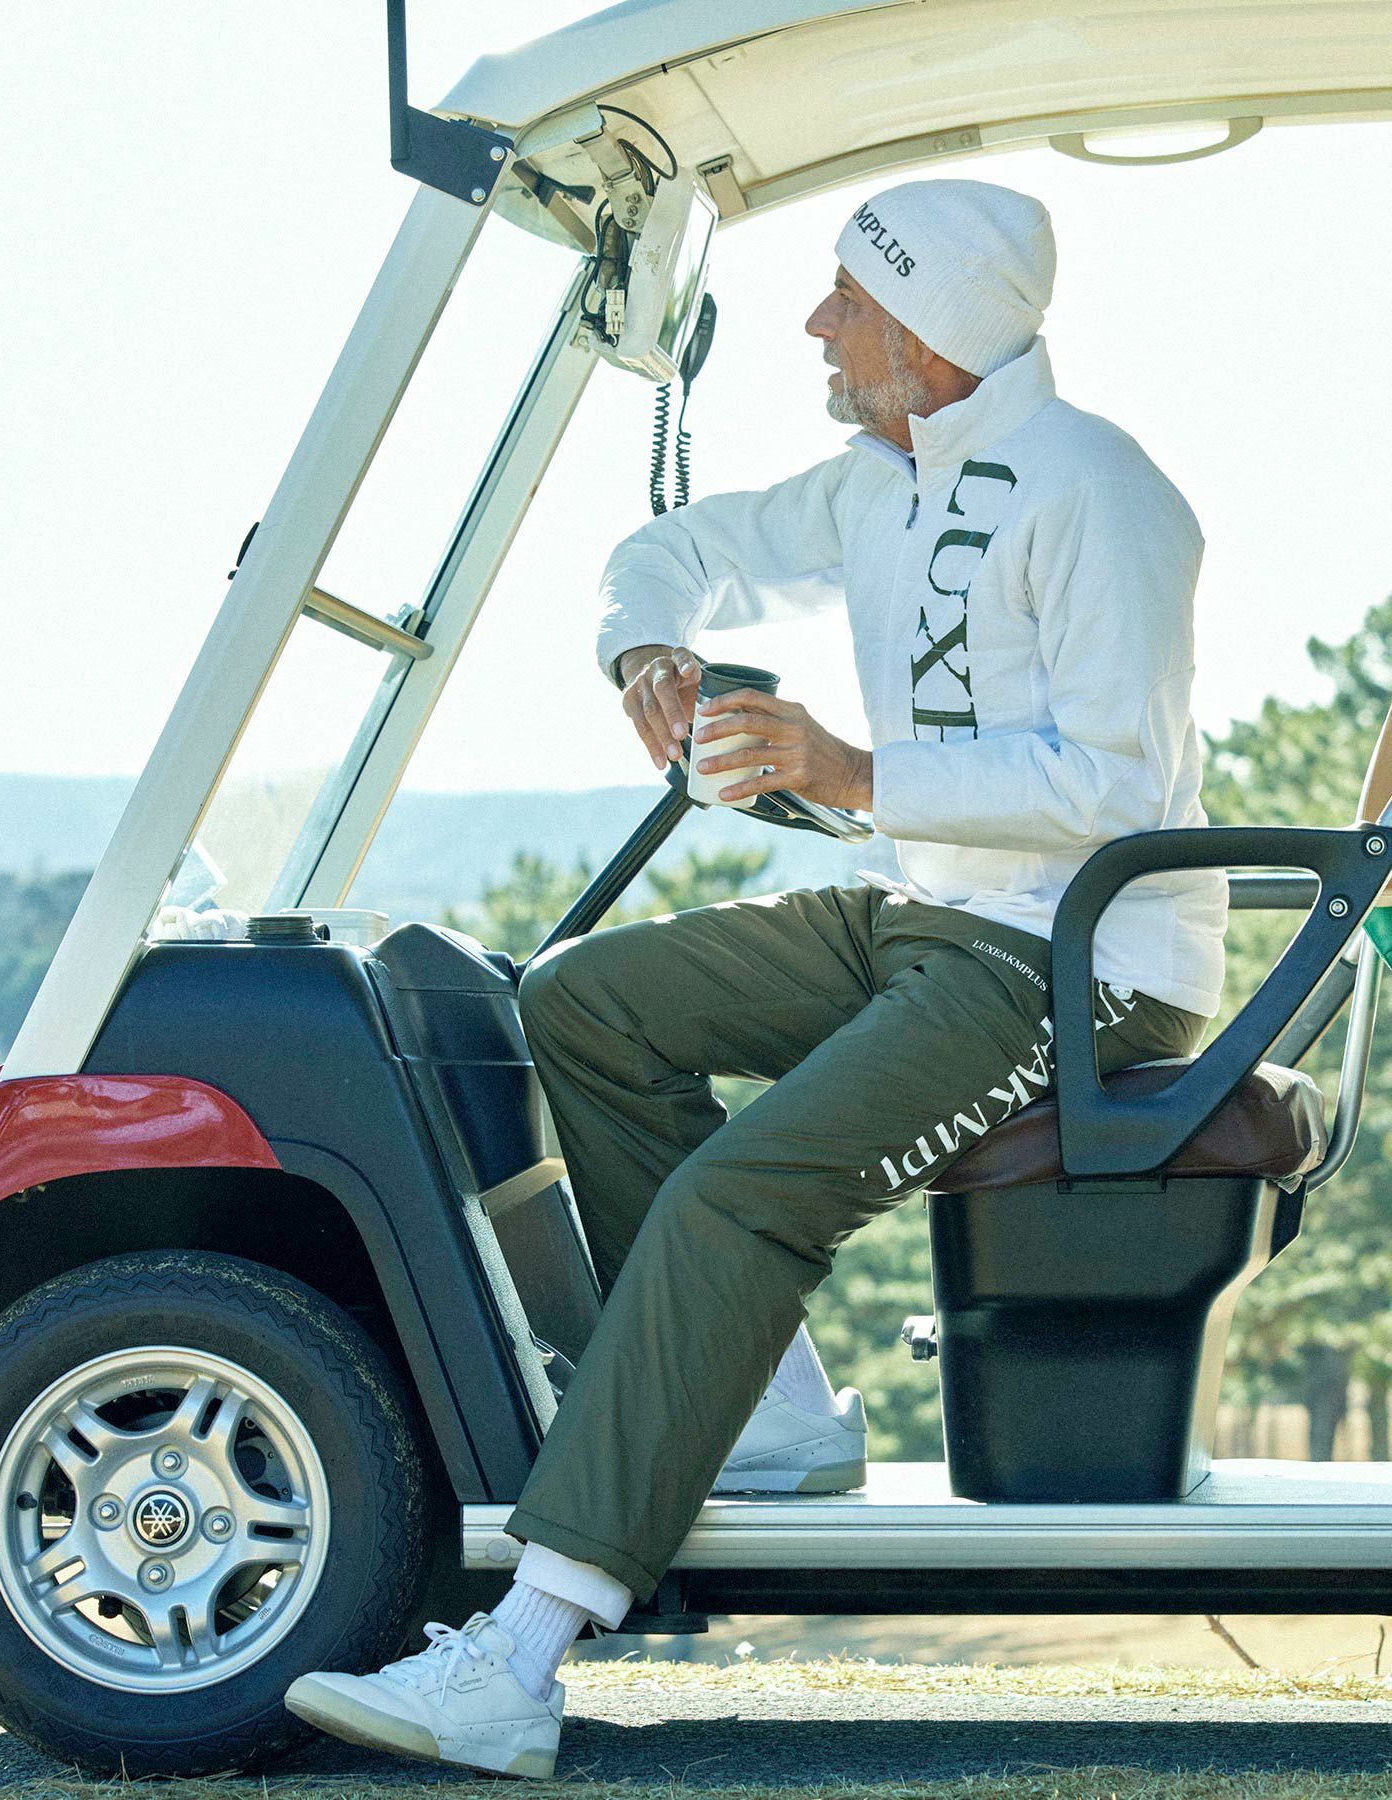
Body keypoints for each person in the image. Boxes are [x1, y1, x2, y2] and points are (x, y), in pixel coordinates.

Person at [285, 176, 1229, 1778]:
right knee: (581, 1001)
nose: (815, 324)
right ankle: (774, 1414)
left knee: (735, 1199)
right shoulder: (880, 483)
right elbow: (678, 548)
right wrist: (646, 648)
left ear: (928, 328)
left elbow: (1118, 785)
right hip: (929, 910)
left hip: (1083, 953)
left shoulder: (1103, 492)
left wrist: (853, 772)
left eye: (849, 299)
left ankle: (523, 1658)